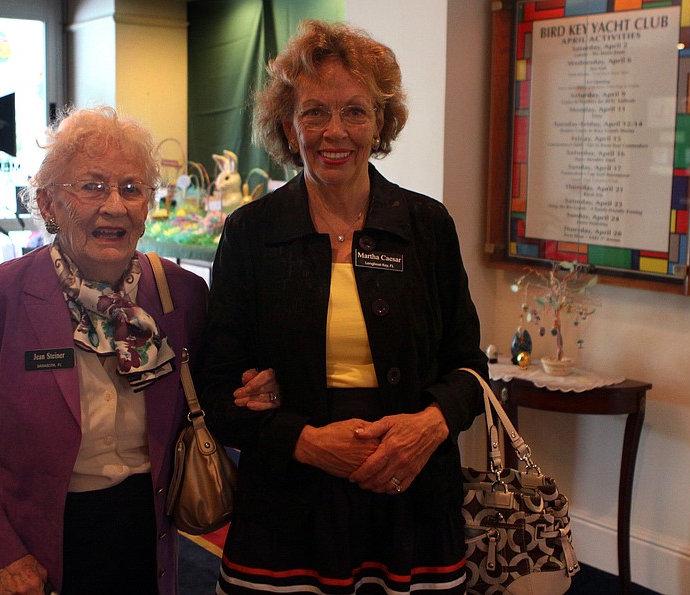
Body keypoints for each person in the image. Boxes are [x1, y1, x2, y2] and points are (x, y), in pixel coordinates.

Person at [197, 20, 488, 594]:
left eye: (355, 111)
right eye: (314, 112)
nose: (335, 132)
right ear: (288, 124)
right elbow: (214, 385)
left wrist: (426, 428)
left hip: (409, 496)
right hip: (288, 507)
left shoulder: (427, 226)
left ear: (380, 123)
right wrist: (306, 442)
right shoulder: (250, 233)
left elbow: (469, 369)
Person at [0, 106, 211, 594]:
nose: (114, 205)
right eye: (92, 186)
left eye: (131, 188)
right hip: (32, 545)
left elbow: (212, 402)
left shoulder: (180, 296)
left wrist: (255, 389)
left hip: (147, 533)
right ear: (48, 204)